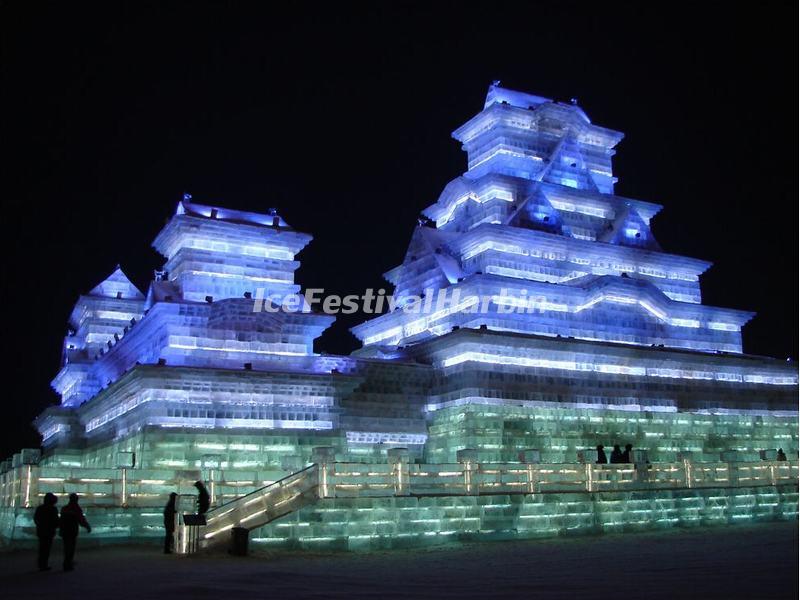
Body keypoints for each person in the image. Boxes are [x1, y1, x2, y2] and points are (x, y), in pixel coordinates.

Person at [59, 493, 91, 571]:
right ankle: (68, 563)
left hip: (64, 531)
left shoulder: (64, 508)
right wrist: (87, 526)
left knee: (66, 547)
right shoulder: (76, 508)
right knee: (71, 547)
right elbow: (81, 519)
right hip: (72, 530)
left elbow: (61, 520)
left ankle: (67, 562)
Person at [34, 493, 59, 571]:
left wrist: (39, 525)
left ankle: (41, 564)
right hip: (49, 531)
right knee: (47, 548)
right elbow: (56, 520)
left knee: (42, 547)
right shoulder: (53, 509)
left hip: (41, 531)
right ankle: (44, 564)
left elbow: (36, 518)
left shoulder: (40, 508)